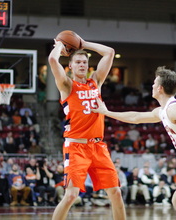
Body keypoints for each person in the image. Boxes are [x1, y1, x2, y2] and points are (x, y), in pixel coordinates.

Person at [92, 66, 176, 220]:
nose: (152, 86)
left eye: (154, 83)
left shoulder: (174, 108)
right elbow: (135, 117)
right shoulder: (163, 110)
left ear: (160, 88)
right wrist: (107, 112)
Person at [48, 33, 126, 220]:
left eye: (84, 62)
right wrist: (60, 44)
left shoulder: (95, 82)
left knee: (115, 192)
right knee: (71, 196)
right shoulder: (66, 85)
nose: (82, 65)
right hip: (76, 147)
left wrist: (83, 44)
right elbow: (52, 59)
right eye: (78, 62)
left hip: (98, 146)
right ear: (71, 66)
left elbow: (110, 53)